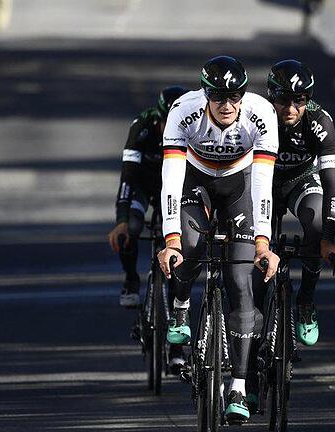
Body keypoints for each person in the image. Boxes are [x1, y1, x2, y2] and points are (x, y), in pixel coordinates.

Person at [156, 55, 280, 423]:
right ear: (205, 94)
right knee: (191, 245)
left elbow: (262, 186)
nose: (227, 105)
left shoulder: (262, 114)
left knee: (242, 282)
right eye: (218, 97)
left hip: (239, 185)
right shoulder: (183, 111)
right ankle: (180, 305)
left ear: (243, 95)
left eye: (234, 96)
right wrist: (171, 239)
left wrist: (263, 243)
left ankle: (238, 386)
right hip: (195, 181)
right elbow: (171, 181)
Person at [107, 85, 189, 371]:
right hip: (143, 186)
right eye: (166, 123)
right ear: (158, 117)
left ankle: (177, 344)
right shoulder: (141, 126)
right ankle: (131, 278)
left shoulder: (193, 126)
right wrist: (120, 221)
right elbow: (128, 177)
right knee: (131, 225)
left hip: (176, 190)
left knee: (179, 257)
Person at [265, 59, 335, 347]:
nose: (291, 108)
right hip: (266, 183)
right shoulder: (256, 115)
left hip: (301, 180)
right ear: (272, 96)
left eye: (299, 100)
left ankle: (306, 302)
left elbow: (333, 182)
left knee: (316, 224)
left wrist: (328, 238)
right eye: (284, 100)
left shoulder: (320, 121)